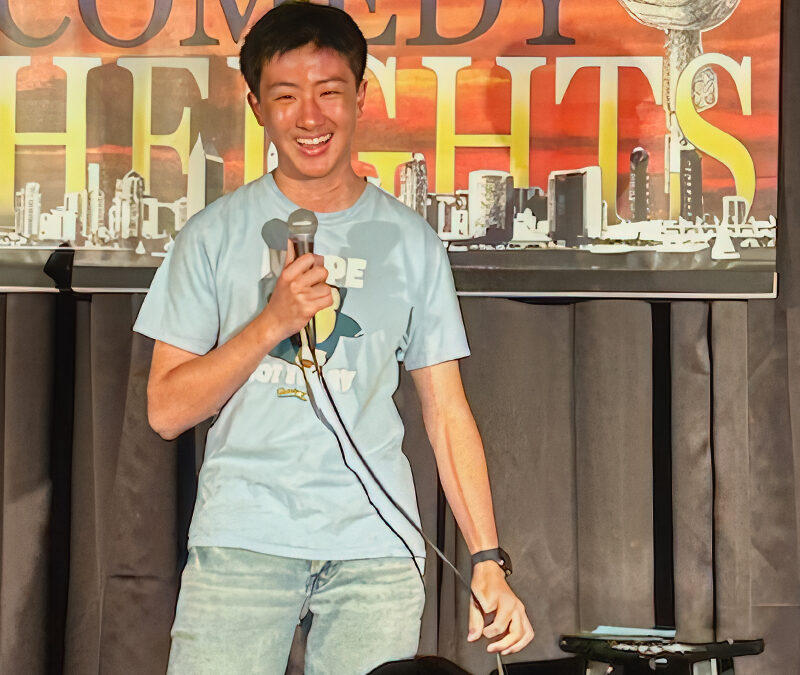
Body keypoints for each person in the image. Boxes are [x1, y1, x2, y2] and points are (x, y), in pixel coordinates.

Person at [133, 2, 534, 673]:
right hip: (243, 539)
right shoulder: (212, 235)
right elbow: (166, 410)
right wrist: (271, 322)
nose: (310, 117)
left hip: (375, 550)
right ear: (258, 107)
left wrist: (488, 557)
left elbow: (446, 409)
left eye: (329, 92)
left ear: (361, 97)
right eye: (286, 96)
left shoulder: (411, 242)